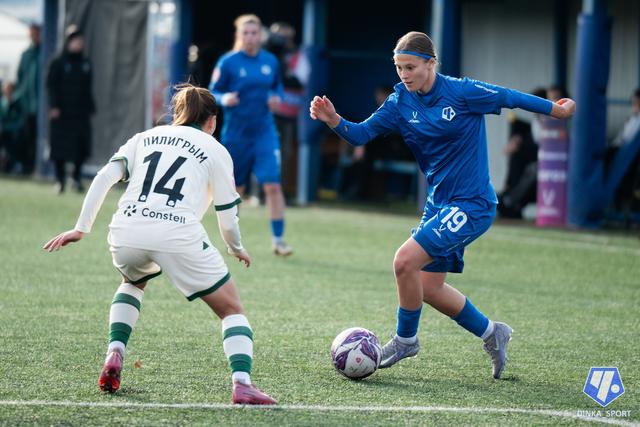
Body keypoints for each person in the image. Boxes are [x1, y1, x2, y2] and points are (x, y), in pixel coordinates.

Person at [310, 31, 576, 379]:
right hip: (439, 205)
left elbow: (509, 97)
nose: (404, 75)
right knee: (429, 288)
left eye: (410, 67)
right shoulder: (400, 102)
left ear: (431, 64)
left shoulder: (462, 92)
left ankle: (405, 341)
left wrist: (555, 110)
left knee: (404, 261)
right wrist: (333, 119)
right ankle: (492, 332)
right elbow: (360, 134)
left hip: (472, 204)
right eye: (399, 68)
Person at [42, 83, 277, 405]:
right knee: (231, 309)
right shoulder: (215, 149)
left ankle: (114, 352)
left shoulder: (144, 137)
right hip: (177, 233)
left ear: (177, 114)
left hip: (127, 229)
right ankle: (242, 384)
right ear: (212, 120)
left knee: (132, 281)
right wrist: (235, 247)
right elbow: (226, 214)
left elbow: (104, 177)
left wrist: (81, 228)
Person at [209, 14, 293, 256]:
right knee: (237, 189)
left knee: (273, 185)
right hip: (237, 135)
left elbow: (277, 87)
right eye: (245, 33)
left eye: (254, 33)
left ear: (260, 36)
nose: (250, 37)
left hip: (265, 132)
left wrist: (277, 98)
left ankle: (278, 240)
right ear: (238, 35)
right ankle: (232, 242)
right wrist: (225, 98)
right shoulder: (228, 62)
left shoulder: (270, 61)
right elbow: (212, 92)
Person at [46, 25, 95, 193]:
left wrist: (90, 107)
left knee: (81, 146)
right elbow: (51, 86)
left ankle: (76, 178)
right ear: (68, 42)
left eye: (80, 40)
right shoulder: (58, 62)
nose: (78, 43)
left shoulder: (85, 63)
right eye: (75, 40)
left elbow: (88, 88)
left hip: (80, 114)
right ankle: (59, 180)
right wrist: (54, 106)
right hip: (62, 113)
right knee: (59, 147)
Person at [13, 23, 40, 175]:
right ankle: (26, 166)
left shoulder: (44, 52)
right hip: (26, 105)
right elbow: (20, 78)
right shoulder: (26, 54)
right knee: (25, 136)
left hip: (39, 106)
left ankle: (35, 166)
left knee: (36, 137)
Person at [0, 82, 24, 173]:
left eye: (9, 89)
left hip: (12, 133)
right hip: (3, 132)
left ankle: (14, 165)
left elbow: (18, 121)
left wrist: (5, 128)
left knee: (11, 147)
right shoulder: (2, 102)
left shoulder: (17, 102)